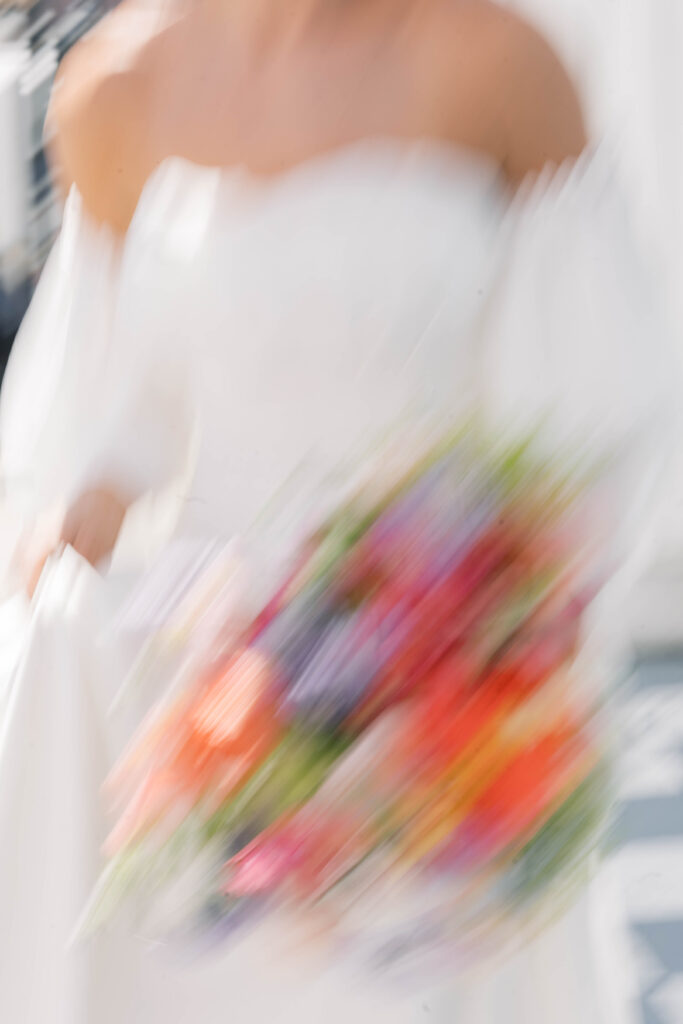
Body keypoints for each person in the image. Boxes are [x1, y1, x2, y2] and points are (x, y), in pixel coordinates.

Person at [0, 1, 674, 1021]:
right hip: (207, 695)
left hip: (436, 676)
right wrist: (76, 514)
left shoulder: (496, 60)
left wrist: (487, 619)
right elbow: (117, 404)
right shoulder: (114, 86)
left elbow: (593, 404)